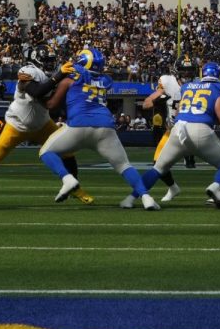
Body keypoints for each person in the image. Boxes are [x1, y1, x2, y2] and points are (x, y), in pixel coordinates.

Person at [0, 59, 90, 203]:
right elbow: (38, 91)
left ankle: (74, 187)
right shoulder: (26, 78)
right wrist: (59, 76)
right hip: (17, 126)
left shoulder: (49, 77)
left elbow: (53, 95)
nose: (50, 63)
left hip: (43, 125)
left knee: (68, 153)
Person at [38, 47, 159, 210]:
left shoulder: (69, 80)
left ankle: (67, 178)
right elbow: (98, 77)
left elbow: (52, 105)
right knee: (124, 166)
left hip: (78, 125)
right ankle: (146, 198)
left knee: (45, 152)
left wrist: (36, 97)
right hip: (105, 127)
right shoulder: (106, 81)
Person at [140, 62, 220, 208]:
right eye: (183, 71)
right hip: (174, 131)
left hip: (194, 128)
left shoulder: (198, 84)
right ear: (176, 71)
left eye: (189, 71)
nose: (187, 74)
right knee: (158, 164)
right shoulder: (169, 82)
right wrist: (158, 101)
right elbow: (145, 104)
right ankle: (173, 187)